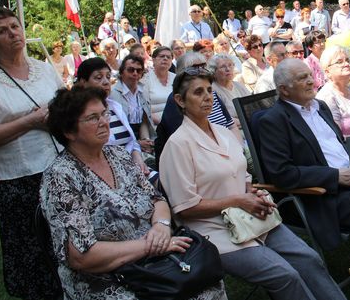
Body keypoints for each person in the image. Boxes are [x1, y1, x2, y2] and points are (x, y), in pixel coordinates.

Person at [160, 66, 345, 300]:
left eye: (209, 90)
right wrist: (239, 200)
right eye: (198, 92)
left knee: (309, 258)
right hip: (215, 230)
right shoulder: (177, 146)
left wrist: (253, 195)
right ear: (180, 100)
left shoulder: (223, 132)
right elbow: (184, 207)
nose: (207, 97)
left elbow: (243, 177)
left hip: (252, 216)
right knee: (284, 275)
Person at [41, 87, 226, 300]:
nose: (104, 121)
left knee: (207, 282)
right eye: (92, 118)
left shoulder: (118, 155)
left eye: (104, 113)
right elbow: (81, 256)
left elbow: (157, 200)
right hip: (106, 278)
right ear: (69, 131)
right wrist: (151, 246)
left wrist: (161, 226)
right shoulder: (61, 177)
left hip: (154, 260)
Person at [0, 6, 63, 299]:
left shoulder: (43, 69)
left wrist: (53, 118)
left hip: (58, 167)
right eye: (2, 31)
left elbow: (64, 108)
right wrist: (30, 120)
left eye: (14, 26)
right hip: (18, 178)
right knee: (29, 247)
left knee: (64, 240)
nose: (13, 33)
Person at [259, 58, 350, 251]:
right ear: (284, 89)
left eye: (310, 75)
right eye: (302, 78)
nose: (311, 81)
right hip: (325, 194)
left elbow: (338, 143)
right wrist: (335, 176)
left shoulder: (320, 106)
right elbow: (282, 173)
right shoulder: (273, 121)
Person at [75, 57, 149, 173]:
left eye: (108, 77)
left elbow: (132, 141)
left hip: (132, 167)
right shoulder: (78, 115)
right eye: (98, 78)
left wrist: (137, 155)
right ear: (83, 82)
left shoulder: (115, 106)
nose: (105, 82)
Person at [110, 54, 155, 145]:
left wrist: (145, 140)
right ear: (122, 72)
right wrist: (137, 144)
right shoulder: (112, 93)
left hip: (141, 136)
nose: (135, 73)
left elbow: (144, 121)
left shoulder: (143, 91)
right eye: (130, 70)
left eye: (139, 70)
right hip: (120, 141)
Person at [209, 53, 251, 124]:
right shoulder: (212, 91)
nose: (228, 69)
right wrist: (245, 122)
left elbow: (253, 106)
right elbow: (222, 118)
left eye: (230, 65)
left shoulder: (238, 85)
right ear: (214, 71)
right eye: (222, 67)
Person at [142, 46, 175, 126]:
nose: (165, 58)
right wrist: (165, 123)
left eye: (168, 57)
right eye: (161, 56)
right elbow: (144, 111)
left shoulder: (176, 78)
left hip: (176, 124)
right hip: (154, 126)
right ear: (153, 59)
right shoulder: (145, 80)